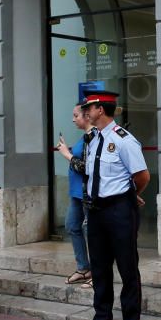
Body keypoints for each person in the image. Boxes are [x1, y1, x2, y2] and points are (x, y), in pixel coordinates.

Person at [75, 90, 149, 320]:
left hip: (119, 210)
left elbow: (142, 175)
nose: (86, 111)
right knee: (100, 268)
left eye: (90, 107)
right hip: (96, 211)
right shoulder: (93, 138)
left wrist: (129, 195)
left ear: (101, 109)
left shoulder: (124, 140)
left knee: (127, 268)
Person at [55, 102, 95, 288]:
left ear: (87, 116)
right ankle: (83, 268)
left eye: (76, 115)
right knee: (72, 226)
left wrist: (66, 155)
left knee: (92, 232)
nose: (73, 119)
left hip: (87, 193)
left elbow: (86, 166)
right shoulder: (84, 137)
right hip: (76, 193)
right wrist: (69, 151)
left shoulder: (95, 136)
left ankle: (97, 272)